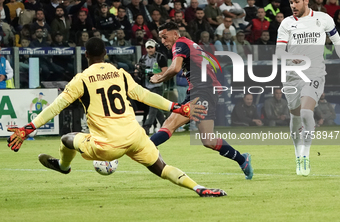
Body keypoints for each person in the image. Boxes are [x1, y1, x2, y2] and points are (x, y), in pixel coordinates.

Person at [7, 37, 226, 198]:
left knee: (67, 139)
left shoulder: (81, 79)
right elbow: (144, 94)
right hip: (135, 137)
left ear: (86, 56)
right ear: (105, 54)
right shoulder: (119, 73)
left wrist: (28, 128)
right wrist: (176, 107)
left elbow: (55, 107)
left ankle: (64, 167)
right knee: (161, 166)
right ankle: (199, 188)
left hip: (107, 146)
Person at [149, 22, 254, 180]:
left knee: (170, 124)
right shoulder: (192, 45)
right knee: (208, 140)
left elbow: (176, 68)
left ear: (175, 34)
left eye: (165, 37)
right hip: (203, 91)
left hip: (202, 91)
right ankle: (242, 160)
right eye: (161, 38)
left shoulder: (180, 43)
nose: (163, 41)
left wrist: (159, 78)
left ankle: (142, 149)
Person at [276, 0, 340, 176]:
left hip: (315, 73)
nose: (293, 6)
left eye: (296, 1)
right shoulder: (287, 23)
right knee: (295, 116)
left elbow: (337, 42)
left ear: (306, 1)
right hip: (292, 76)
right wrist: (291, 57)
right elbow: (279, 52)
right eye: (291, 2)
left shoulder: (323, 19)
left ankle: (305, 156)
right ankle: (298, 154)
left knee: (306, 111)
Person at [138, 39, 168, 134]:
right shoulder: (143, 58)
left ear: (155, 48)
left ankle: (147, 126)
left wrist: (150, 72)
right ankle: (165, 124)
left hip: (158, 85)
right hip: (147, 85)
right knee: (156, 107)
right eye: (148, 48)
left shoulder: (160, 57)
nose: (150, 50)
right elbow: (139, 72)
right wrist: (140, 71)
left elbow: (165, 71)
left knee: (153, 105)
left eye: (152, 47)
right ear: (146, 49)